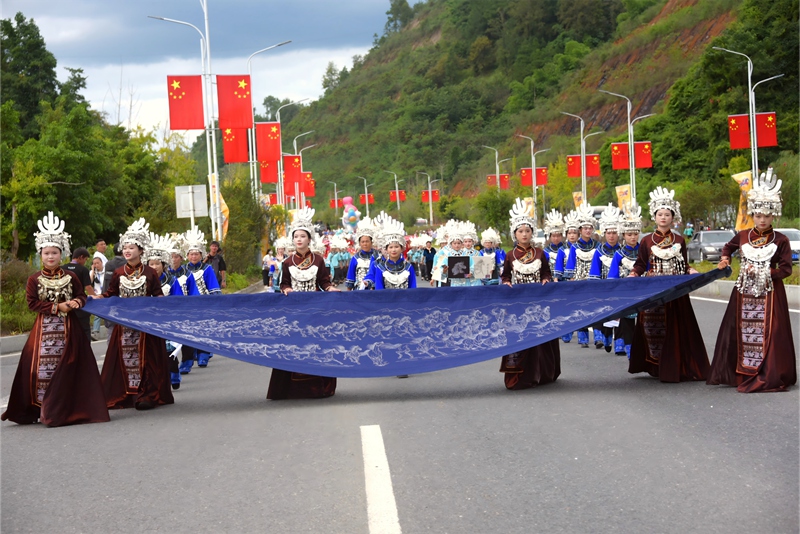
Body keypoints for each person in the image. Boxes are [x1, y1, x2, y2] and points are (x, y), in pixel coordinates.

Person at [1, 212, 109, 427]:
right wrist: (56, 307)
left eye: (54, 253)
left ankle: (61, 408)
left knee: (69, 366)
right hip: (43, 331)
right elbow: (32, 303)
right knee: (38, 370)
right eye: (46, 253)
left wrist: (78, 303)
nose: (50, 257)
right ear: (41, 255)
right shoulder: (34, 279)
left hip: (69, 329)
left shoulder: (71, 277)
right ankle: (41, 407)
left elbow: (81, 295)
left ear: (62, 254)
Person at [707, 169, 796, 392]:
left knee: (771, 333)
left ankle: (769, 371)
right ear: (753, 215)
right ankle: (743, 372)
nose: (762, 219)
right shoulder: (744, 235)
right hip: (744, 291)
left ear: (773, 215)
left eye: (766, 216)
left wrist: (765, 273)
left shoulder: (781, 240)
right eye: (758, 215)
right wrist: (725, 258)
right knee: (741, 330)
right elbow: (728, 246)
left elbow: (786, 269)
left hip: (770, 294)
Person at [628, 186, 709, 383]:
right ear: (655, 217)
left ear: (673, 217)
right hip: (653, 290)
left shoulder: (680, 240)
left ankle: (674, 364)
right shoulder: (646, 241)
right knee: (652, 327)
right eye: (660, 214)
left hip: (675, 291)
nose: (663, 217)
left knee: (675, 327)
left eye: (667, 214)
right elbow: (640, 264)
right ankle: (654, 364)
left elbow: (685, 264)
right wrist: (633, 274)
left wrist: (690, 271)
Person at [96, 218, 174, 410]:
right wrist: (98, 298)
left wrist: (164, 302)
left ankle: (146, 394)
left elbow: (156, 293)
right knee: (124, 359)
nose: (127, 251)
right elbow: (111, 294)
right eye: (125, 247)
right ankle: (127, 395)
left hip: (145, 326)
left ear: (140, 250)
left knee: (146, 359)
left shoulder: (149, 273)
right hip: (124, 326)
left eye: (132, 247)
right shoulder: (118, 272)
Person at [268, 207, 339, 400]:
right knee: (293, 347)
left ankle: (318, 387)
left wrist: (331, 289)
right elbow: (283, 284)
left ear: (309, 239)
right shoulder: (288, 262)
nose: (299, 240)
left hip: (315, 311)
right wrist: (287, 290)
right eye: (296, 236)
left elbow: (324, 282)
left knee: (316, 346)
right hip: (295, 311)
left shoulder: (318, 259)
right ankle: (291, 389)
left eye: (303, 236)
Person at [499, 199, 561, 390]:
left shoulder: (540, 253)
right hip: (517, 303)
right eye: (520, 231)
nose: (524, 234)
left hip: (538, 302)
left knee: (540, 337)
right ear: (515, 234)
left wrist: (545, 280)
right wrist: (507, 283)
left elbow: (546, 273)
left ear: (532, 233)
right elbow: (505, 276)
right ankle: (520, 377)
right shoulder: (510, 255)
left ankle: (542, 374)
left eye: (527, 231)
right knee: (520, 337)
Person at [144, 232, 186, 390]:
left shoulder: (172, 281)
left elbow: (178, 299)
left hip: (167, 319)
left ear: (163, 265)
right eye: (151, 264)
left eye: (157, 264)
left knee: (169, 350)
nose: (154, 267)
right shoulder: (142, 280)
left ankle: (174, 373)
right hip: (148, 319)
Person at [180, 226, 220, 372]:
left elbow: (213, 285)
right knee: (189, 332)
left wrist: (215, 300)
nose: (194, 257)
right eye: (191, 254)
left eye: (196, 254)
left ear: (201, 254)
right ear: (187, 255)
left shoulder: (207, 268)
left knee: (203, 329)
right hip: (187, 304)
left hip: (203, 302)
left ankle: (203, 353)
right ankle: (189, 359)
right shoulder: (183, 269)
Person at [607, 203, 643, 357]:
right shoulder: (619, 254)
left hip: (643, 290)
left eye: (635, 234)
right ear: (624, 235)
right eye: (629, 234)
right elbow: (613, 276)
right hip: (626, 292)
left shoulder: (644, 251)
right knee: (627, 321)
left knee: (643, 322)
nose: (633, 237)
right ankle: (629, 349)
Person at [564, 203, 600, 348]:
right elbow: (571, 264)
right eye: (585, 228)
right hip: (579, 280)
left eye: (590, 228)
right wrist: (571, 279)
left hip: (594, 280)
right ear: (580, 230)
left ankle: (598, 336)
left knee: (596, 308)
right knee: (581, 309)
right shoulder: (574, 247)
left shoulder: (597, 246)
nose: (588, 230)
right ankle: (583, 337)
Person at [588, 205, 622, 352]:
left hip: (620, 287)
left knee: (619, 315)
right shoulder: (598, 251)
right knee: (603, 312)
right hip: (603, 287)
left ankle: (619, 342)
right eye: (609, 233)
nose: (612, 236)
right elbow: (595, 271)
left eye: (614, 232)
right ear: (604, 234)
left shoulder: (623, 251)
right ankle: (604, 337)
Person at [62, 246, 94, 343]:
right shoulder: (83, 270)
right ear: (80, 257)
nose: (85, 261)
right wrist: (96, 297)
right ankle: (85, 353)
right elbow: (88, 287)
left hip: (65, 305)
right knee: (84, 332)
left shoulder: (62, 268)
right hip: (80, 305)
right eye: (85, 259)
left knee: (68, 333)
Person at [345, 217, 379, 290]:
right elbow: (351, 277)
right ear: (359, 243)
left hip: (375, 291)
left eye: (367, 241)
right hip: (359, 291)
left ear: (371, 242)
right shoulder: (355, 258)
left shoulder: (378, 256)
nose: (365, 244)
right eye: (363, 242)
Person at [542, 209, 566, 276]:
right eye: (554, 236)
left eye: (558, 236)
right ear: (550, 236)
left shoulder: (566, 249)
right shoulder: (546, 251)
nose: (556, 238)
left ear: (561, 236)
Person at [89, 256, 104, 339]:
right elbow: (89, 281)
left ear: (101, 263)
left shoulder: (106, 271)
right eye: (94, 263)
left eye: (97, 263)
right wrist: (93, 271)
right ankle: (95, 332)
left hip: (105, 294)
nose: (96, 265)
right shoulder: (92, 272)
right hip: (97, 295)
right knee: (97, 314)